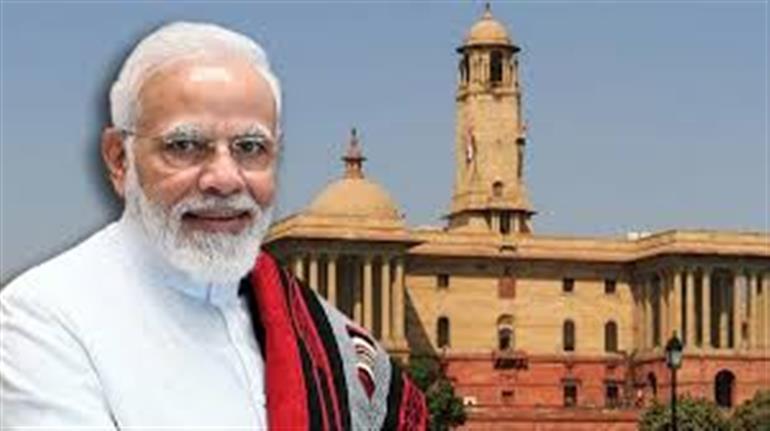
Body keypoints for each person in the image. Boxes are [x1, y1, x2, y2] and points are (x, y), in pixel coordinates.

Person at [0, 22, 426, 430]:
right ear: (119, 159)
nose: (225, 179)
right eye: (184, 145)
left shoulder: (328, 343)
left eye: (250, 147)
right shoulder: (45, 316)